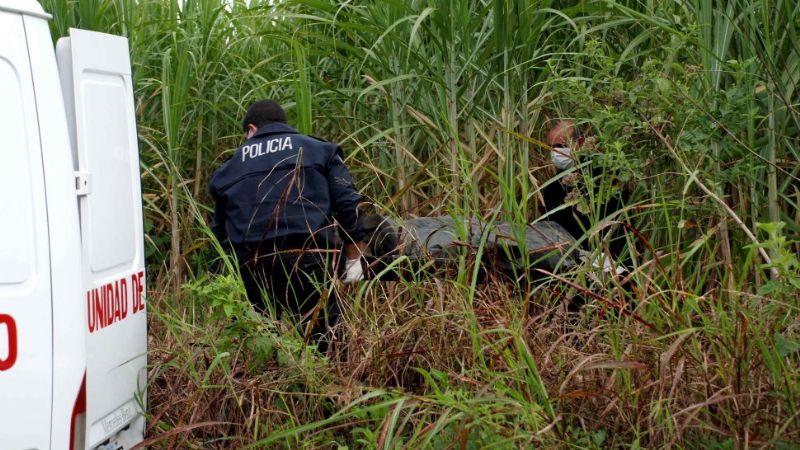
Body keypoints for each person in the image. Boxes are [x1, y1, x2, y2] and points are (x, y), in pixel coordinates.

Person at [209, 100, 366, 340]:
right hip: (308, 258)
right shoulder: (320, 150)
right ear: (283, 124)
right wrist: (354, 257)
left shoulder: (227, 169)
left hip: (252, 265)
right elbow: (348, 204)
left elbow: (219, 234)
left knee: (258, 346)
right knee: (326, 344)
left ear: (251, 129)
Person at [539, 119, 629, 266]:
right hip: (573, 261)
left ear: (580, 143)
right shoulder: (553, 186)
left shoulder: (607, 176)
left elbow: (620, 224)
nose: (556, 152)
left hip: (612, 260)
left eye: (562, 146)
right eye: (552, 147)